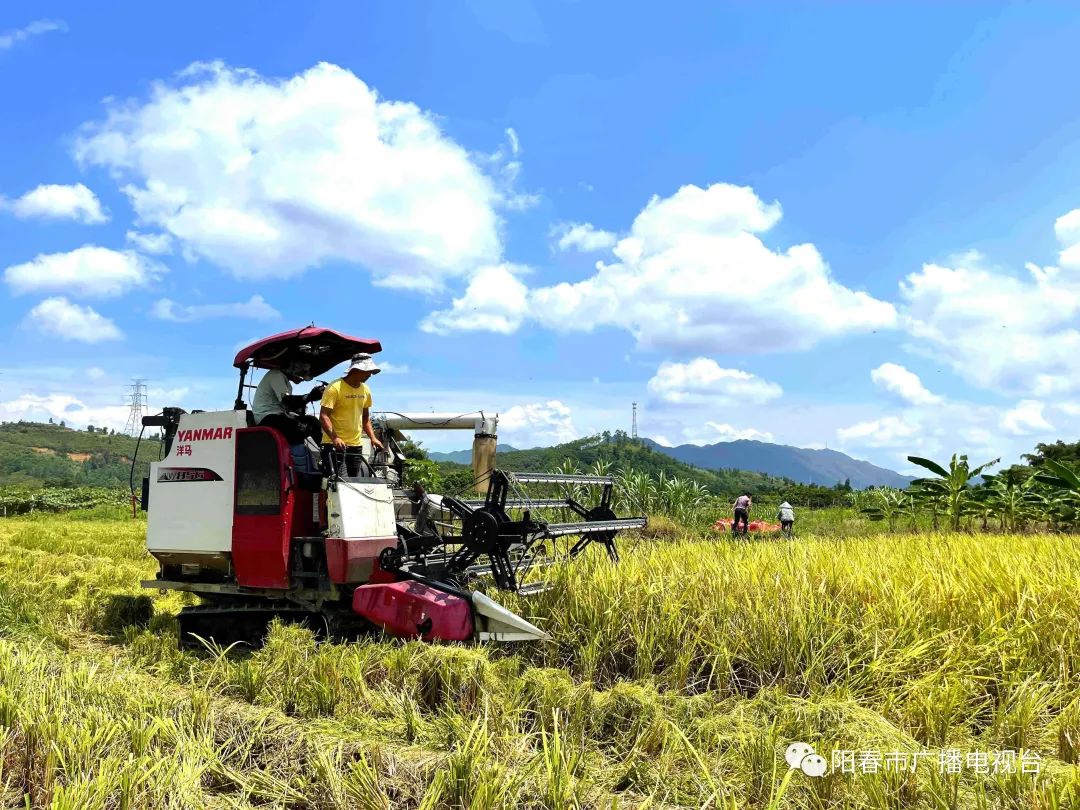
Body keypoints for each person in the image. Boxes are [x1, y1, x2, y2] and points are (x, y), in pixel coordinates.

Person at [319, 353, 385, 477]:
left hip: (356, 445)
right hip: (333, 444)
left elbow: (365, 417)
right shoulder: (335, 387)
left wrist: (373, 438)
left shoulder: (365, 389)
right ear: (356, 369)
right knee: (331, 483)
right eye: (367, 371)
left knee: (354, 483)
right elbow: (324, 416)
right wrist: (335, 438)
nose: (369, 375)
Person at [252, 362, 324, 445]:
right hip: (267, 417)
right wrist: (309, 396)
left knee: (313, 422)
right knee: (297, 427)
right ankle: (297, 455)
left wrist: (308, 399)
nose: (303, 379)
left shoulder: (285, 381)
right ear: (292, 368)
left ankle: (319, 453)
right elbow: (287, 400)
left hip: (278, 415)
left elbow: (291, 405)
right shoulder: (276, 375)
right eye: (302, 373)